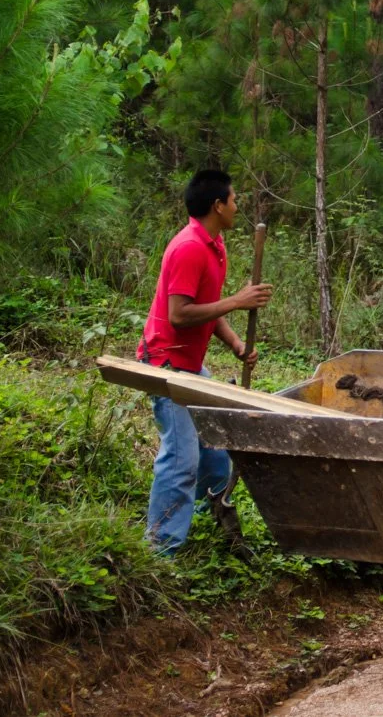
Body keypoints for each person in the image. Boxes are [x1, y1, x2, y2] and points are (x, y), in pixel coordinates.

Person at [137, 169, 272, 555]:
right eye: (234, 199)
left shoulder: (215, 244)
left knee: (214, 456)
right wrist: (238, 301)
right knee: (182, 460)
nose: (237, 205)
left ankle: (209, 527)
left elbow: (207, 307)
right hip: (167, 364)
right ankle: (160, 550)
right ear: (218, 206)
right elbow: (179, 314)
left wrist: (235, 343)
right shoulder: (189, 248)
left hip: (191, 365)